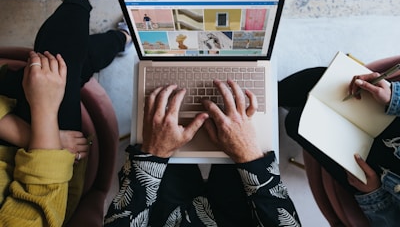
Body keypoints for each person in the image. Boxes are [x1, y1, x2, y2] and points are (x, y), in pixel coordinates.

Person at [0, 0, 129, 224]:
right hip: (46, 174)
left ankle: (101, 15)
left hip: (14, 125)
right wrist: (44, 118)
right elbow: (38, 206)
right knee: (62, 62)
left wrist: (25, 131)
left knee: (62, 62)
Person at [104, 79, 301, 226]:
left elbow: (122, 219)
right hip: (242, 217)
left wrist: (154, 154)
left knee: (162, 121)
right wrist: (248, 154)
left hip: (161, 216)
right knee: (238, 117)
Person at [278, 65, 400, 226]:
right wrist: (394, 97)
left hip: (371, 175)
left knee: (296, 122)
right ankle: (266, 94)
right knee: (320, 82)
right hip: (389, 114)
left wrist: (373, 192)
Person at [0, 51, 76, 226]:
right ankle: (122, 38)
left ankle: (122, 38)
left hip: (16, 130)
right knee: (64, 53)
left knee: (53, 63)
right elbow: (37, 208)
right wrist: (44, 112)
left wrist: (30, 135)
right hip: (44, 178)